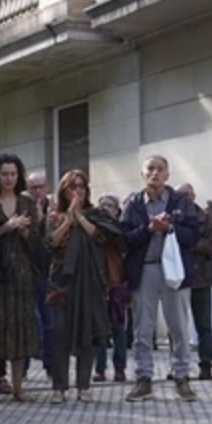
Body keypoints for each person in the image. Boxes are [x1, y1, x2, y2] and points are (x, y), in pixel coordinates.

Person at [121, 155, 200, 402]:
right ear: (142, 174)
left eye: (160, 169)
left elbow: (194, 235)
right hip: (145, 269)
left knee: (178, 327)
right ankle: (143, 379)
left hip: (173, 271)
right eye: (150, 169)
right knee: (143, 328)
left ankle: (181, 378)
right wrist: (148, 229)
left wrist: (170, 228)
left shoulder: (181, 201)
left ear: (167, 175)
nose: (154, 173)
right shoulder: (133, 204)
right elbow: (124, 239)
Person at [44, 170, 122, 403]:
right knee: (60, 332)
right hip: (61, 280)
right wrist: (68, 220)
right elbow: (49, 243)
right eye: (72, 187)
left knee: (87, 331)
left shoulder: (95, 215)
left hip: (89, 280)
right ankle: (59, 387)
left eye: (81, 186)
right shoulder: (54, 216)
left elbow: (101, 238)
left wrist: (79, 217)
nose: (77, 191)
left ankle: (83, 386)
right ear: (63, 191)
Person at [0, 154, 41, 403]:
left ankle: (18, 387)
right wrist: (7, 227)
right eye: (4, 174)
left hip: (21, 274)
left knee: (20, 327)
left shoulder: (27, 202)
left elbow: (38, 243)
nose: (9, 179)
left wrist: (25, 232)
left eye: (13, 174)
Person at [179, 184, 212, 380]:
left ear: (194, 195)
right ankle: (178, 366)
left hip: (201, 276)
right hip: (178, 277)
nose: (185, 198)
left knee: (203, 324)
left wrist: (187, 243)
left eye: (188, 194)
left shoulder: (207, 217)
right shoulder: (173, 217)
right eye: (181, 195)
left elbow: (211, 244)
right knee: (177, 325)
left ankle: (206, 364)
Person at [93, 193, 128, 383]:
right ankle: (99, 369)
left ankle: (120, 368)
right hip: (98, 284)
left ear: (117, 211)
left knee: (118, 329)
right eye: (102, 205)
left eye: (110, 206)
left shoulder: (120, 229)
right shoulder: (93, 230)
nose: (105, 208)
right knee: (99, 329)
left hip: (116, 283)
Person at [26, 169, 55, 377]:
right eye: (32, 187)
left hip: (47, 273)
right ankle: (23, 369)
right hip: (27, 274)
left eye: (40, 187)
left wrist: (44, 217)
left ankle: (50, 366)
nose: (37, 191)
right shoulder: (22, 208)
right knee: (30, 322)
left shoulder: (53, 208)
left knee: (50, 324)